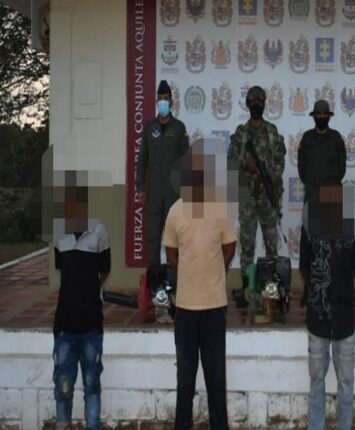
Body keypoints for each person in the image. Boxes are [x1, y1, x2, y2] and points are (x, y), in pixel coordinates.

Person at [164, 141, 237, 430]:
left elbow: (230, 245)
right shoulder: (175, 211)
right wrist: (190, 268)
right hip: (185, 310)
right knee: (185, 380)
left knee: (216, 379)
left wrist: (218, 266)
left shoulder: (220, 207)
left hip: (214, 308)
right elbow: (171, 252)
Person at [300, 185, 355, 430]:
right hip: (318, 316)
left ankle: (344, 426)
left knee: (346, 380)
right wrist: (317, 292)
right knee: (316, 379)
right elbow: (304, 267)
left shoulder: (352, 233)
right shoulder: (309, 232)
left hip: (345, 315)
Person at [52, 182, 111, 430]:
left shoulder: (98, 231)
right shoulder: (59, 233)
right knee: (63, 387)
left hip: (91, 327)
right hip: (65, 327)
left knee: (92, 386)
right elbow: (62, 269)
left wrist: (88, 292)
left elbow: (104, 269)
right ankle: (63, 424)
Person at [228, 85, 286, 290]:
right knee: (247, 246)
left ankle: (271, 287)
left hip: (267, 197)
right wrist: (246, 165)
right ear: (247, 104)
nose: (256, 105)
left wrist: (268, 179)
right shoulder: (241, 133)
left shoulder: (272, 132)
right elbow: (231, 162)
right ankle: (247, 288)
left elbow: (280, 161)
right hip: (247, 199)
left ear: (264, 103)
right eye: (252, 101)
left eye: (259, 101)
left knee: (271, 245)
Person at [136, 80, 190, 266]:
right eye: (160, 99)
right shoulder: (149, 128)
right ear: (156, 102)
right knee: (152, 236)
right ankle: (154, 280)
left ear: (171, 102)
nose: (163, 102)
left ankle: (173, 281)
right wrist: (140, 187)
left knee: (173, 237)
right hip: (154, 192)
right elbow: (142, 159)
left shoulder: (179, 128)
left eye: (166, 99)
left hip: (174, 192)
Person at [297, 99, 347, 203]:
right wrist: (310, 184)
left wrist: (332, 184)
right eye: (318, 114)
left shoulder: (336, 138)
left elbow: (342, 167)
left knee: (332, 219)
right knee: (311, 219)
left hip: (332, 192)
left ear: (329, 116)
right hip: (312, 193)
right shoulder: (307, 137)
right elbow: (301, 166)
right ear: (314, 116)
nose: (321, 117)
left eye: (324, 114)